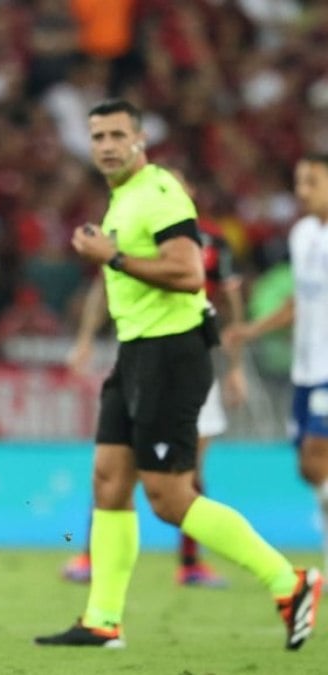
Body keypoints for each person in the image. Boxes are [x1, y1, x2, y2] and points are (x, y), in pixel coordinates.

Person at [34, 98, 321, 651]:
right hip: (137, 353)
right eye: (98, 137)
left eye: (119, 134)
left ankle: (289, 581)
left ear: (140, 139)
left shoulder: (159, 191)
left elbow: (190, 274)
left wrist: (112, 257)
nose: (108, 145)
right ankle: (102, 619)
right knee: (109, 482)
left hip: (172, 354)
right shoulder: (122, 200)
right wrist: (109, 259)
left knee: (169, 497)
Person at [61, 165, 249, 588]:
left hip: (187, 359)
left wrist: (236, 366)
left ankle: (191, 563)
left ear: (190, 193)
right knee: (113, 467)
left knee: (186, 473)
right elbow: (102, 288)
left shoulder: (213, 240)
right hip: (140, 356)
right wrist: (86, 338)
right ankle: (92, 560)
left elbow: (233, 303)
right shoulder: (130, 235)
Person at [226, 153, 328, 578]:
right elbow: (298, 303)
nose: (302, 190)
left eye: (312, 181)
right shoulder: (303, 234)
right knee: (309, 468)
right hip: (305, 369)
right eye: (299, 181)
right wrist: (252, 330)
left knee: (315, 456)